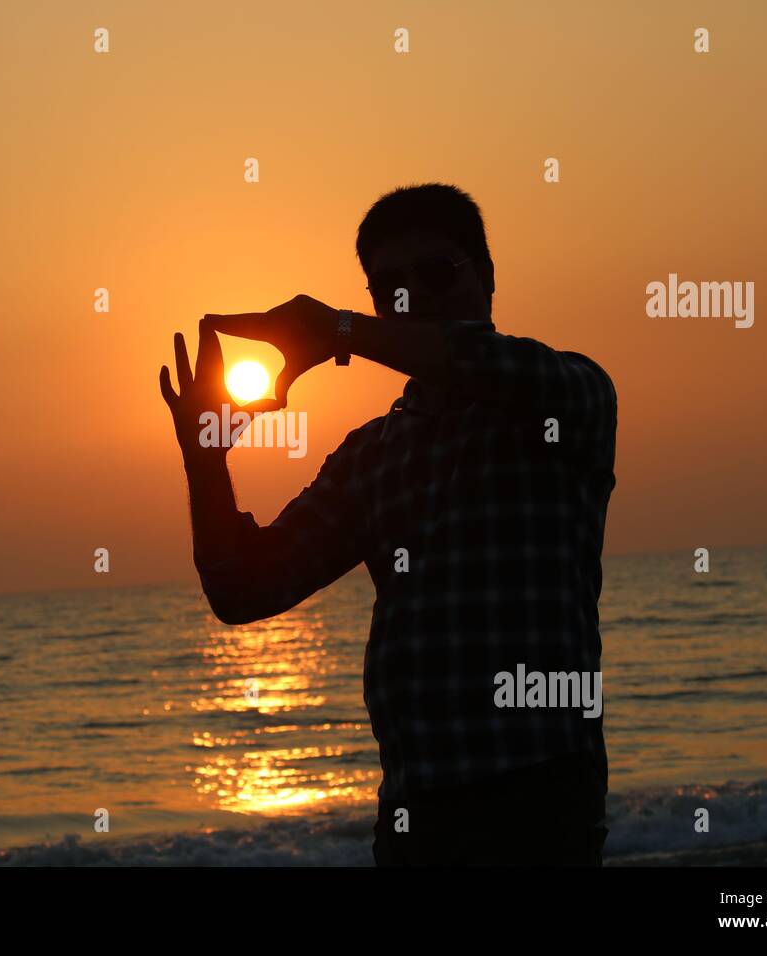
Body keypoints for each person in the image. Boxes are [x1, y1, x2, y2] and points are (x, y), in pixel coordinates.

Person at [159, 183, 617, 865]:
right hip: (417, 816)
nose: (411, 298)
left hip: (540, 799)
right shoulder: (373, 457)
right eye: (388, 287)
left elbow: (484, 364)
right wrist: (204, 459)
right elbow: (243, 590)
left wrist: (338, 332)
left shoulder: (565, 397)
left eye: (435, 274)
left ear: (487, 279)